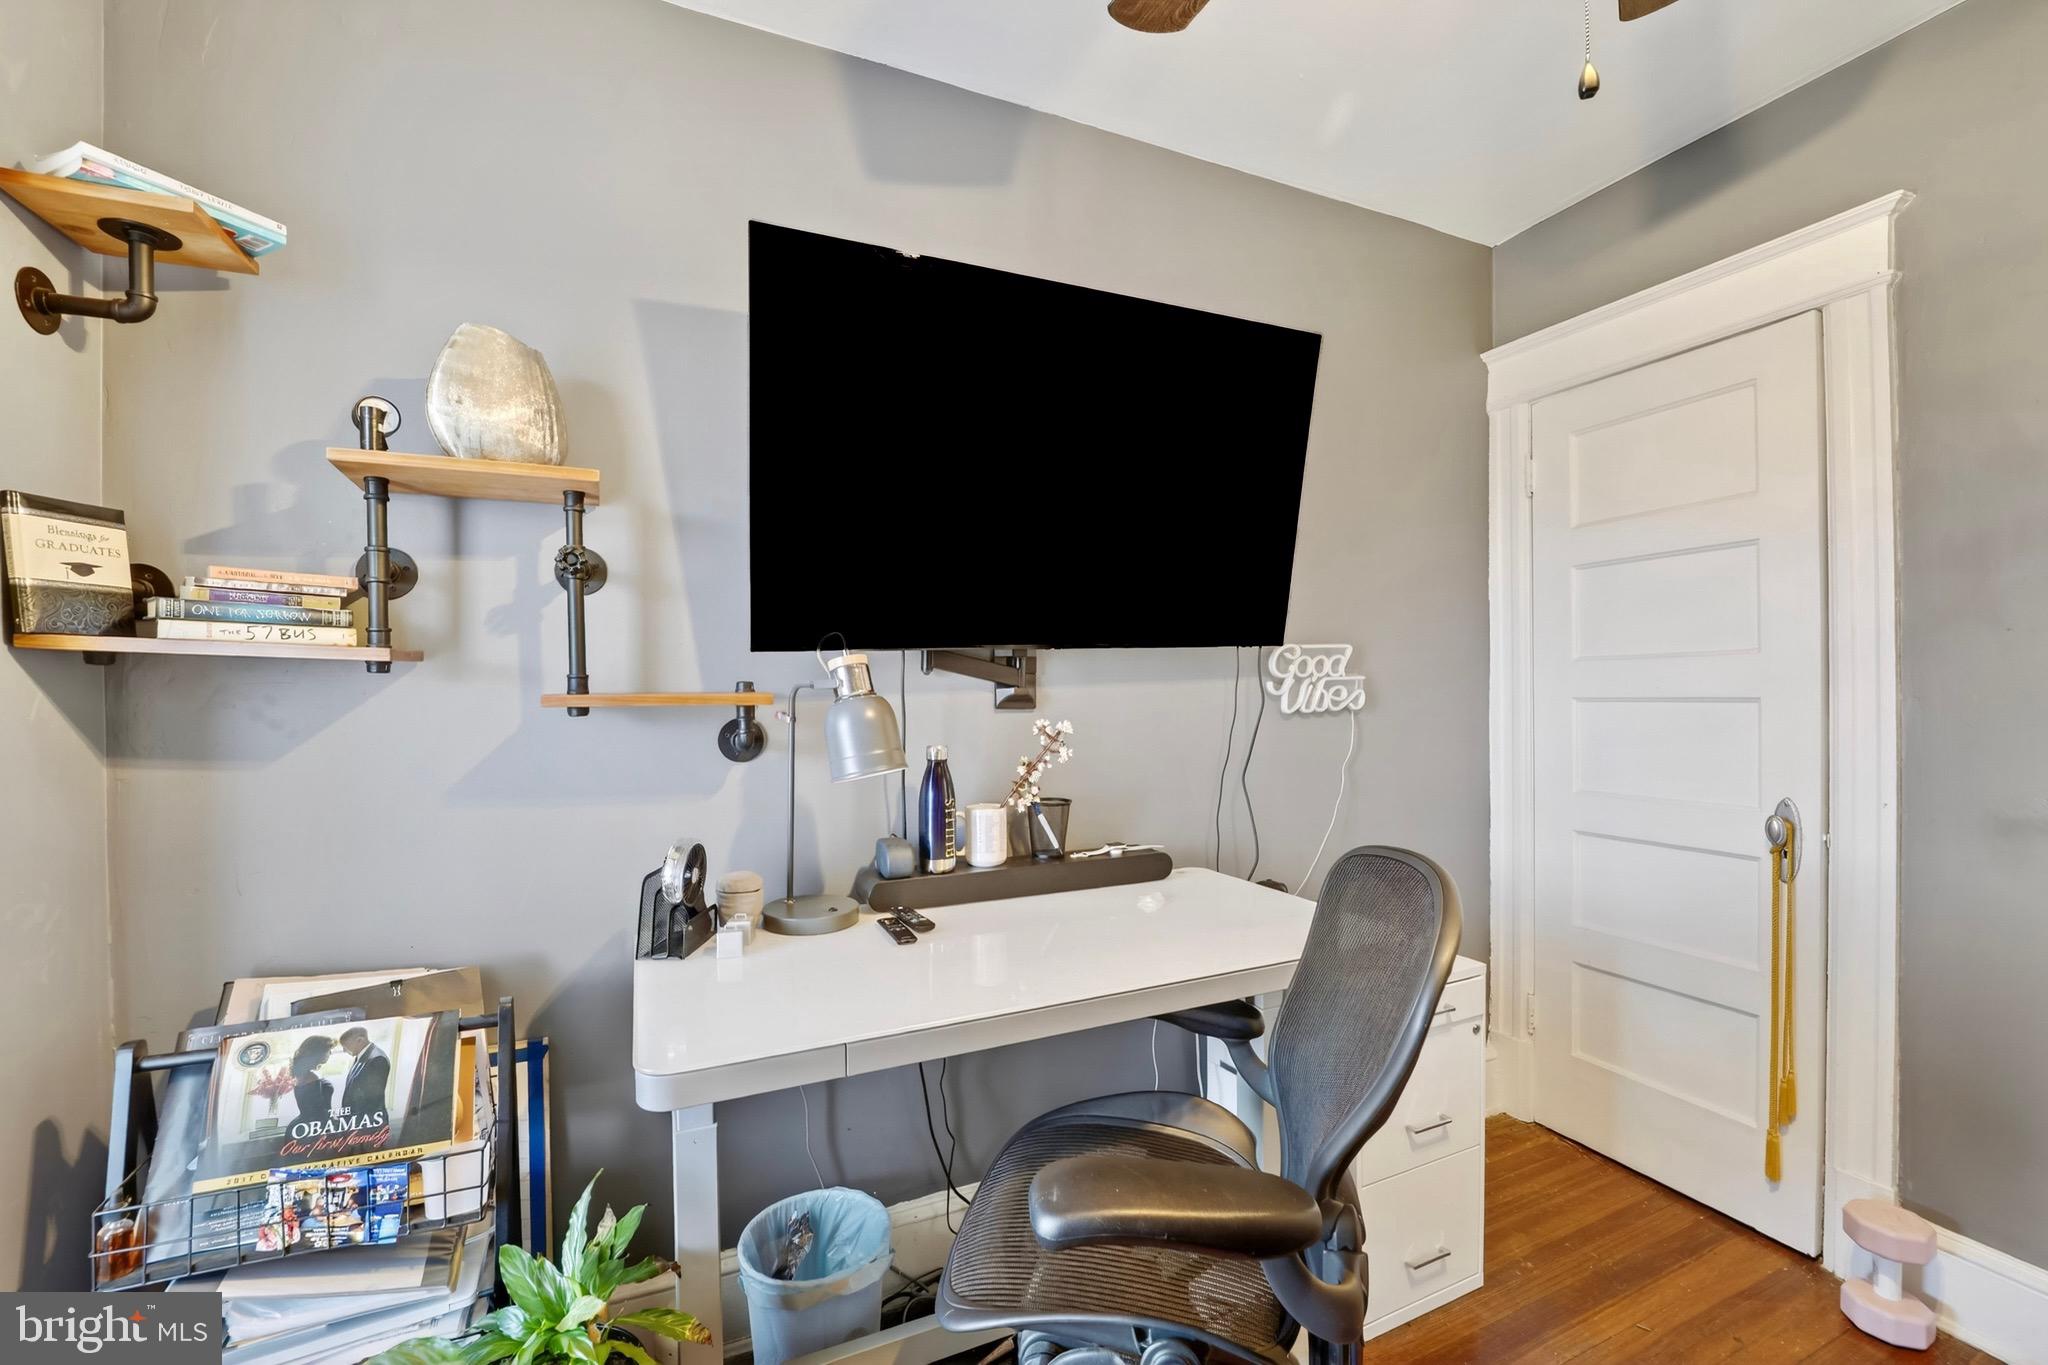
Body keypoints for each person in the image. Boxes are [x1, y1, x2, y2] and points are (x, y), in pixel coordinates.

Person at [338, 1026, 391, 1120]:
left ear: (359, 1040)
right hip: (357, 1120)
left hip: (367, 1121)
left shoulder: (377, 1059)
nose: (344, 1050)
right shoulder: (362, 1056)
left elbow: (371, 1100)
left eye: (346, 1045)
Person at [289, 1036, 336, 1122]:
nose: (330, 1053)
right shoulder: (311, 1077)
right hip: (316, 1125)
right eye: (328, 1050)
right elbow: (318, 1111)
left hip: (310, 1123)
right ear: (319, 1052)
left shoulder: (303, 1075)